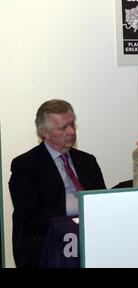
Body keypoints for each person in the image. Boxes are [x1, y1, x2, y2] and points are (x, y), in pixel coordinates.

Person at [8, 99, 106, 268]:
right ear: (44, 133)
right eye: (63, 128)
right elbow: (29, 213)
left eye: (72, 124)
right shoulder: (25, 165)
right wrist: (71, 222)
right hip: (47, 246)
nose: (72, 131)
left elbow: (101, 200)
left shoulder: (87, 161)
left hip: (89, 241)